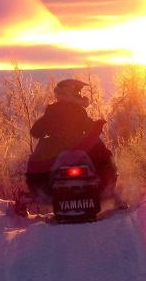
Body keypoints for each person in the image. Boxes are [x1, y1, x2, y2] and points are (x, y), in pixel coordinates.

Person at [21, 79, 116, 210]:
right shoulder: (78, 111)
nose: (81, 95)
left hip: (54, 147)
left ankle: (41, 194)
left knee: (35, 164)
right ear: (68, 93)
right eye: (77, 92)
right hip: (78, 145)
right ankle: (106, 190)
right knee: (105, 157)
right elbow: (89, 128)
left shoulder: (52, 110)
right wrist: (97, 126)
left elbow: (35, 131)